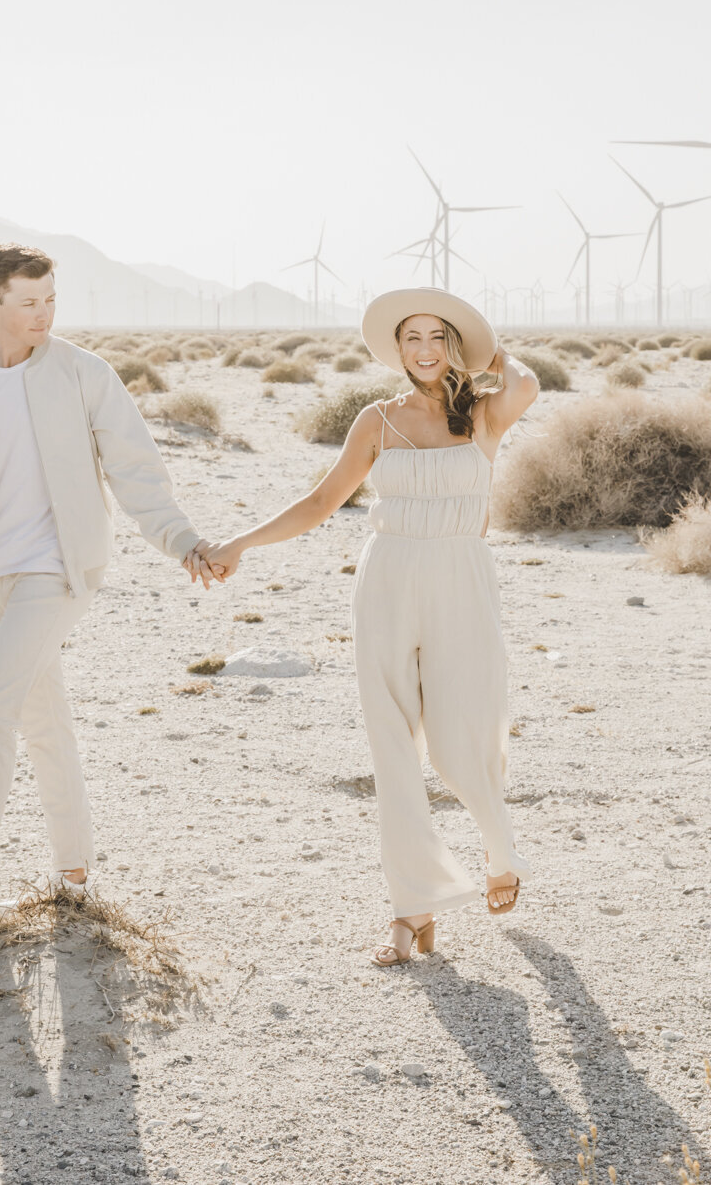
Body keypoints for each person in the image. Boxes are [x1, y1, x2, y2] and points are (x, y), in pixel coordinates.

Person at [197, 287, 539, 965]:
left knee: (460, 734)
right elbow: (324, 500)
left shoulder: (485, 416)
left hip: (462, 581)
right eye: (411, 338)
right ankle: (412, 911)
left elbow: (526, 381)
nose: (423, 349)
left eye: (437, 337)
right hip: (387, 581)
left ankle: (500, 849)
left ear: (454, 346)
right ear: (396, 349)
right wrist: (241, 542)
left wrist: (487, 348)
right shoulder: (377, 421)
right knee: (393, 745)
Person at [0, 244, 218, 937]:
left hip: (58, 571)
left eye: (51, 300)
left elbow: (136, 469)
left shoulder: (83, 374)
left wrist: (182, 539)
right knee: (44, 722)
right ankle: (75, 877)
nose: (42, 314)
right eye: (28, 302)